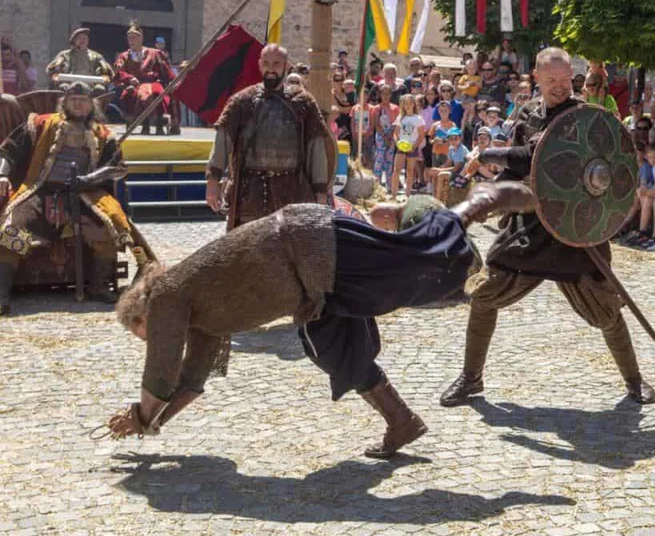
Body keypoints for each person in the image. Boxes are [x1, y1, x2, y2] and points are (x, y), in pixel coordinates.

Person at [102, 184, 536, 454]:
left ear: (142, 314)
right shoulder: (198, 315)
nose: (150, 338)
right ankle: (401, 422)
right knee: (333, 345)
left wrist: (142, 414)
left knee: (411, 261)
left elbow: (159, 375)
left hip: (310, 246)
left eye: (141, 333)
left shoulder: (166, 295)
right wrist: (152, 422)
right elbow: (191, 382)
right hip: (313, 290)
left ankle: (482, 202)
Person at [439, 48, 655, 407]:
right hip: (530, 227)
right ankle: (470, 377)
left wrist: (491, 155)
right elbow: (521, 166)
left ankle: (634, 382)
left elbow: (581, 168)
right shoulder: (527, 114)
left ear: (573, 77)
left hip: (576, 229)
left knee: (605, 309)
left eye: (564, 80)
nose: (558, 87)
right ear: (536, 79)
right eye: (551, 80)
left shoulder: (586, 118)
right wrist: (493, 197)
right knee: (484, 294)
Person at [0, 81, 145, 312]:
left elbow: (118, 168)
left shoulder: (103, 135)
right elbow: (9, 150)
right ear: (65, 102)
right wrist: (2, 175)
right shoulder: (41, 123)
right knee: (13, 227)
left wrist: (89, 180)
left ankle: (97, 285)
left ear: (92, 104)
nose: (78, 104)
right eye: (73, 100)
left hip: (84, 194)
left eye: (84, 100)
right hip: (40, 189)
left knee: (111, 224)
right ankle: (2, 290)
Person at [205, 44, 331, 229]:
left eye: (276, 63)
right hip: (249, 193)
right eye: (266, 63)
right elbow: (222, 141)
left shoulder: (303, 103)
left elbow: (316, 148)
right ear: (259, 65)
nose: (270, 69)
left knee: (290, 254)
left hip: (292, 192)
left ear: (286, 66)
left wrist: (320, 191)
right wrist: (213, 181)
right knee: (247, 252)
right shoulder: (242, 101)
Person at [46, 27, 113, 85]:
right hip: (69, 84)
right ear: (74, 41)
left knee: (100, 89)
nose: (82, 40)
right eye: (79, 38)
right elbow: (52, 69)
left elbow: (106, 71)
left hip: (91, 85)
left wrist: (105, 77)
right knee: (62, 88)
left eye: (84, 38)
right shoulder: (64, 55)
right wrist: (56, 75)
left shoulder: (97, 56)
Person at [394, 94, 426, 197]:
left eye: (410, 103)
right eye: (405, 103)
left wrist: (414, 146)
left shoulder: (418, 118)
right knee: (397, 169)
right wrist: (397, 143)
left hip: (412, 146)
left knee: (410, 171)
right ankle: (393, 194)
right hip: (401, 146)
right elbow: (395, 133)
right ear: (402, 105)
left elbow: (421, 136)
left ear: (413, 105)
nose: (408, 105)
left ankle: (407, 195)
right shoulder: (400, 118)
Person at [370, 84, 400, 195]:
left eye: (388, 94)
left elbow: (397, 123)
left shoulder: (395, 108)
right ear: (380, 95)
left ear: (390, 95)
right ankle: (376, 185)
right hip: (381, 135)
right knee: (379, 159)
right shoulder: (377, 108)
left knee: (389, 160)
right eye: (383, 94)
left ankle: (389, 185)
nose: (386, 96)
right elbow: (376, 124)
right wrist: (384, 136)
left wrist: (391, 136)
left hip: (392, 135)